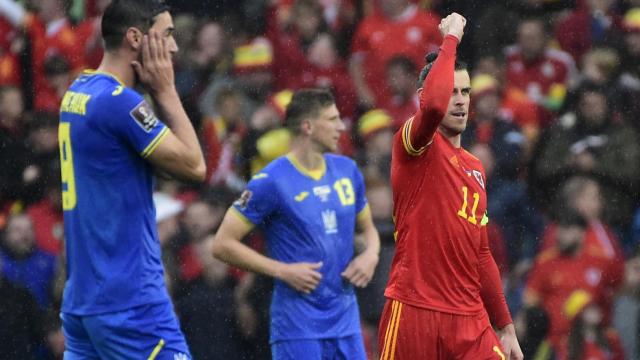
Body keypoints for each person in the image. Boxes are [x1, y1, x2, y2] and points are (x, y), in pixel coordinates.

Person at [57, 0, 205, 358]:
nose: (173, 47)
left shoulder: (78, 92)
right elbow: (195, 167)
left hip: (84, 301)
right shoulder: (119, 103)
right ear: (136, 38)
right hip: (130, 304)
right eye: (167, 35)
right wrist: (167, 92)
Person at [378, 13, 523, 360]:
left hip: (469, 318)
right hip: (415, 309)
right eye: (453, 91)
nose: (459, 100)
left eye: (466, 92)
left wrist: (506, 327)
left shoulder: (475, 168)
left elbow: (482, 254)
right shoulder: (415, 144)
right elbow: (432, 106)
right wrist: (451, 39)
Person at [212, 88, 380, 360]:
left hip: (345, 321)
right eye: (332, 119)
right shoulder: (271, 181)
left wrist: (371, 255)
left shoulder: (347, 171)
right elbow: (222, 244)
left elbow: (368, 228)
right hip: (298, 325)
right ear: (308, 126)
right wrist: (282, 271)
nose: (341, 126)